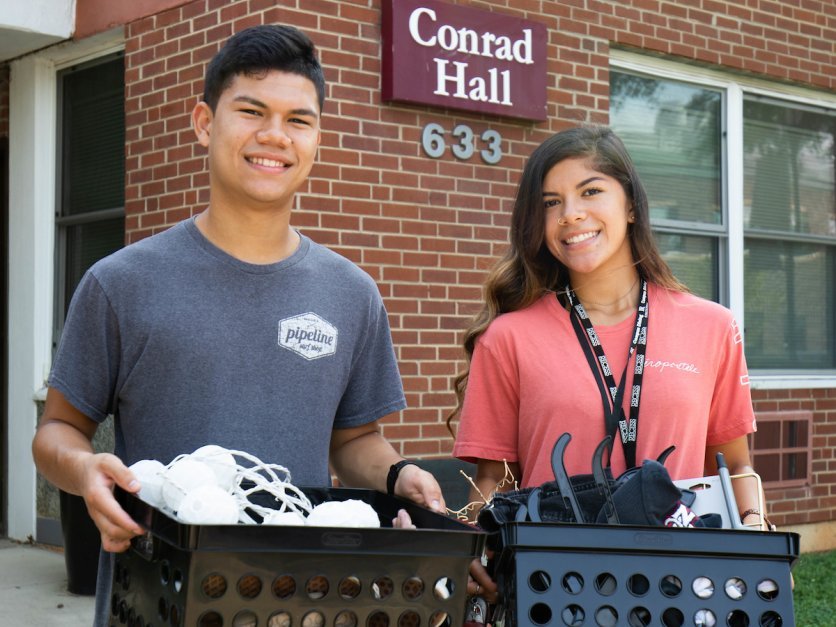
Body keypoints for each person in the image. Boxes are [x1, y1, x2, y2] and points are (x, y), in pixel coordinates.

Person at [32, 24, 444, 625]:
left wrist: (398, 474)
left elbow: (353, 440)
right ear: (205, 122)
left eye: (298, 120)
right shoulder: (120, 283)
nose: (274, 136)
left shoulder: (351, 293)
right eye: (251, 111)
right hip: (156, 598)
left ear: (317, 138)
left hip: (303, 603)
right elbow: (56, 432)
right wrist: (84, 469)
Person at [449, 125, 769, 602]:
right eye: (550, 202)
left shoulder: (713, 326)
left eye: (591, 191)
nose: (571, 214)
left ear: (632, 206)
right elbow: (496, 479)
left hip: (685, 585)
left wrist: (760, 540)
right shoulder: (508, 337)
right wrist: (474, 551)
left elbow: (735, 466)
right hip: (555, 588)